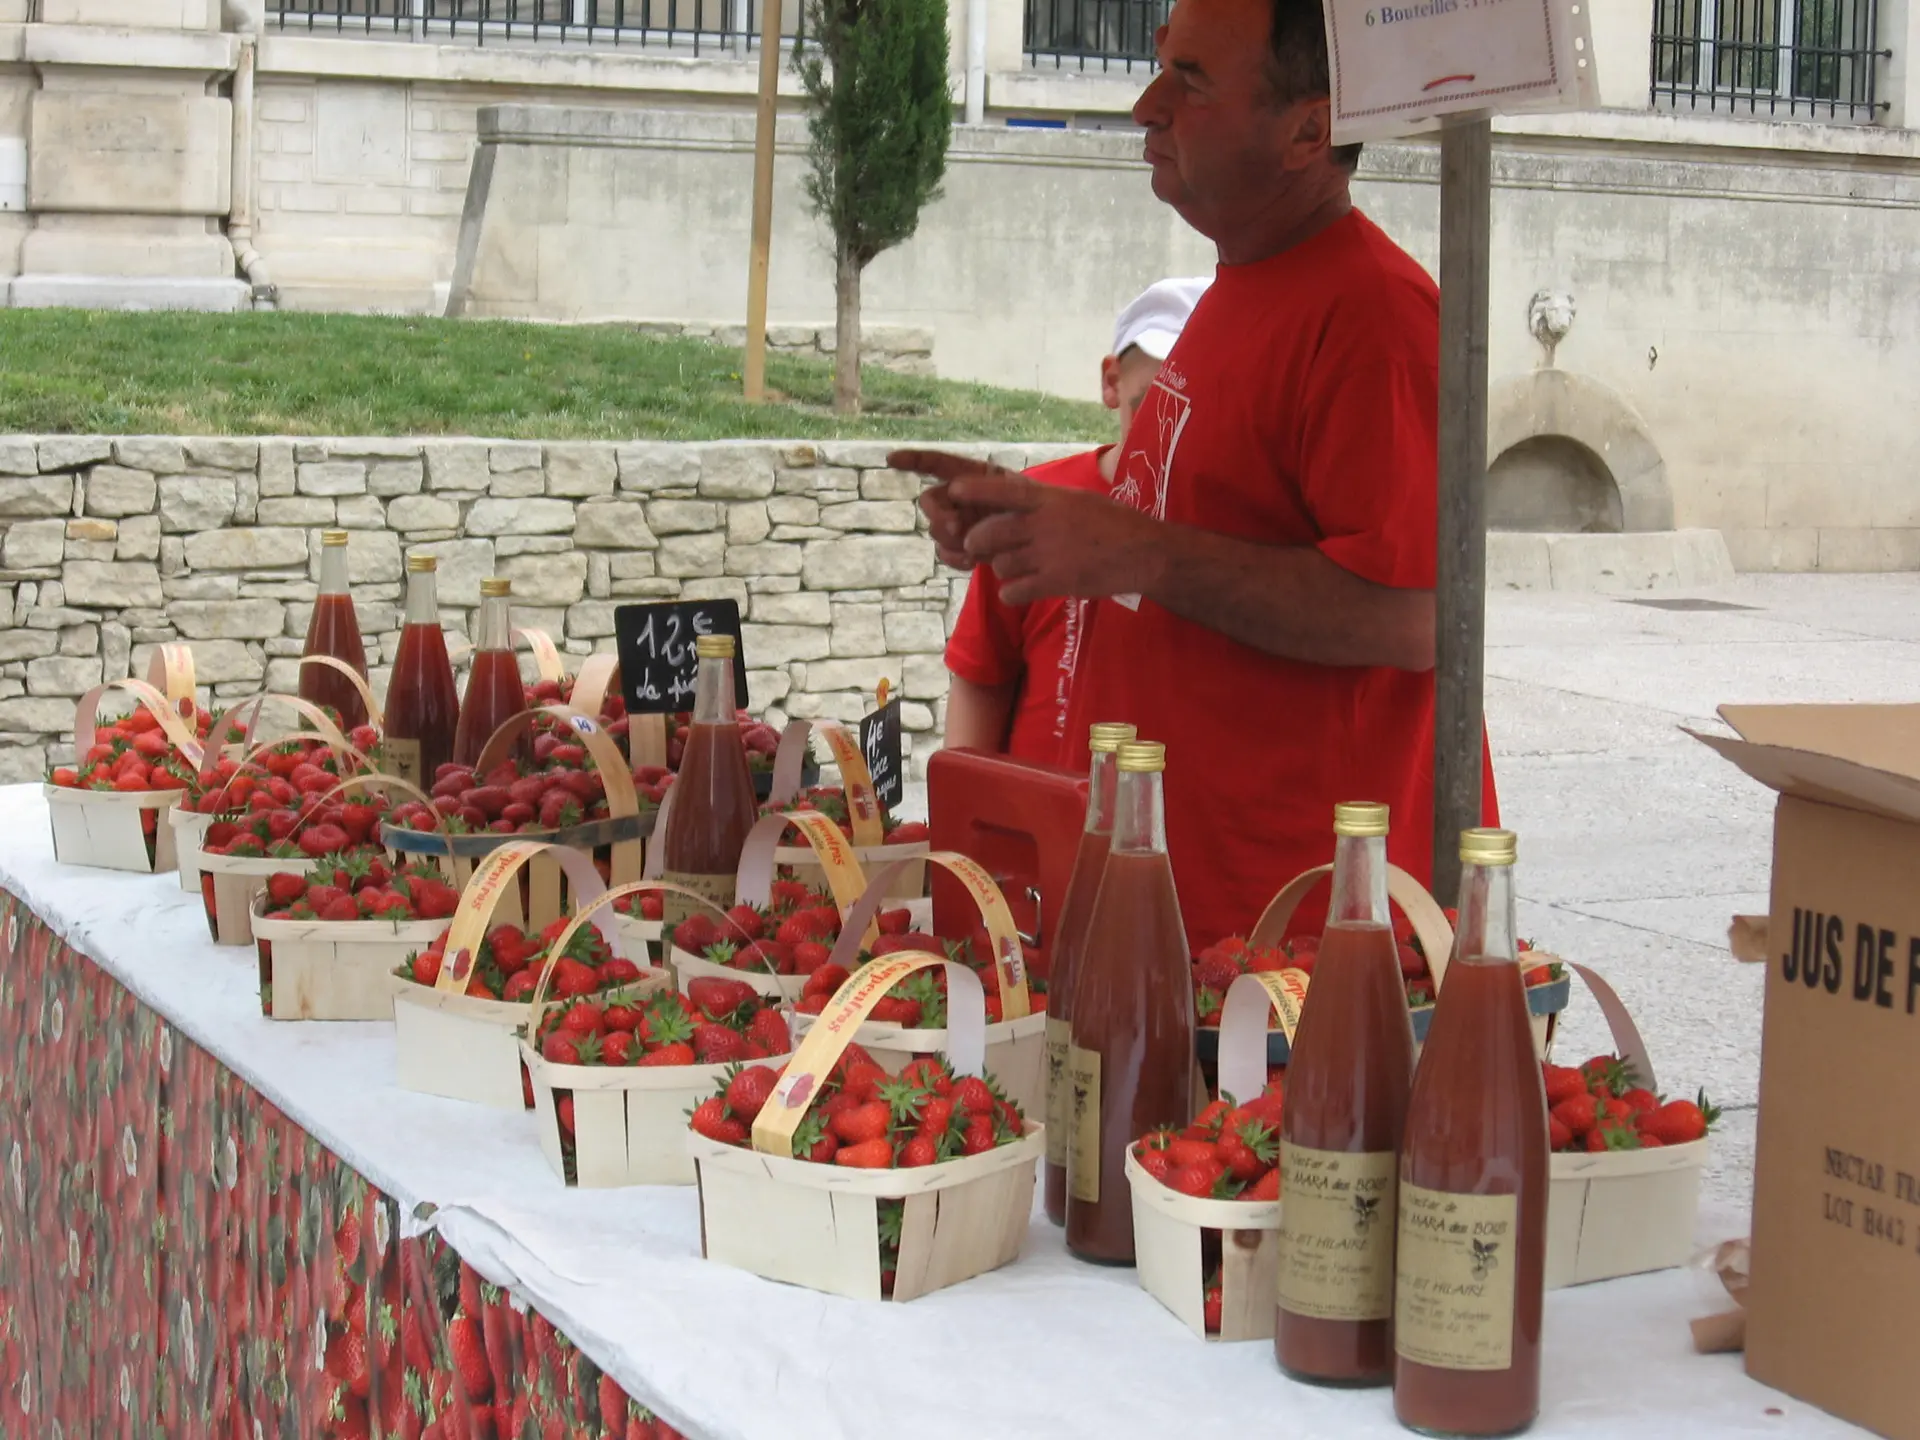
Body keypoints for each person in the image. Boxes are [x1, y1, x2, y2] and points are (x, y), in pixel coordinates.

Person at [894, 0, 1499, 949]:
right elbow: (1192, 534)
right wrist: (1034, 527)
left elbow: (1420, 618)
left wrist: (1139, 553)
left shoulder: (1374, 317)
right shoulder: (1242, 288)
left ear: (1309, 130)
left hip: (1296, 947)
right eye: (1160, 67)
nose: (1147, 105)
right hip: (1184, 917)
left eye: (1192, 80)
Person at [942, 277, 1210, 764]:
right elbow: (982, 678)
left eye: (1208, 411)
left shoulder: (1255, 534)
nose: (1177, 434)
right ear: (1111, 382)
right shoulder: (1035, 508)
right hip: (1043, 808)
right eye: (1157, 406)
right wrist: (965, 804)